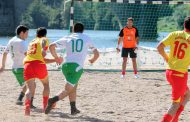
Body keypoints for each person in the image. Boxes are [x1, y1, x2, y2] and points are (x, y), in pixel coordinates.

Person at [45, 23, 99, 115]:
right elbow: (97, 53)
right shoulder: (86, 37)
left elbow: (51, 46)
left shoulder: (68, 37)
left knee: (74, 86)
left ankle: (73, 108)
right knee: (68, 89)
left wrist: (56, 58)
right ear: (83, 30)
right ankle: (52, 100)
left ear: (73, 30)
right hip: (76, 67)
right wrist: (92, 60)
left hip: (65, 66)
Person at [157, 16, 190, 122]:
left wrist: (167, 59)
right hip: (180, 75)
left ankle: (175, 118)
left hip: (169, 72)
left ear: (184, 25)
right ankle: (171, 119)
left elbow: (159, 47)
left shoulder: (174, 34)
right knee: (175, 104)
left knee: (187, 94)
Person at [23, 27, 62, 116]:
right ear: (45, 34)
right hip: (39, 65)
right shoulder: (44, 39)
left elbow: (41, 59)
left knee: (30, 88)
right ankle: (45, 106)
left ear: (36, 34)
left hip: (27, 65)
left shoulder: (31, 42)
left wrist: (55, 60)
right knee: (46, 85)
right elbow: (43, 42)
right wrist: (44, 49)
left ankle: (27, 107)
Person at [0, 25, 36, 108]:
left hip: (15, 68)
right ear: (22, 33)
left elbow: (5, 53)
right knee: (32, 85)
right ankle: (29, 104)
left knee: (26, 85)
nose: (27, 35)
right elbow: (28, 55)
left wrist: (3, 65)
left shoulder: (11, 40)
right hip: (23, 68)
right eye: (27, 33)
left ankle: (19, 99)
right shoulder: (22, 42)